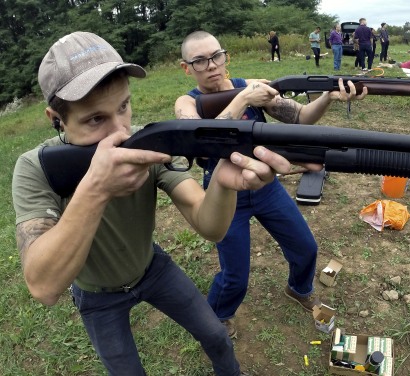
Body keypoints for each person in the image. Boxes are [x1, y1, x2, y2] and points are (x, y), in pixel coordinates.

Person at [12, 31, 293, 376]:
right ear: (55, 119)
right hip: (96, 295)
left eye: (123, 107)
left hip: (153, 268)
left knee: (216, 335)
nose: (120, 132)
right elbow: (43, 286)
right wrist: (95, 190)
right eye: (95, 119)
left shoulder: (148, 146)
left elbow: (211, 226)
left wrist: (222, 182)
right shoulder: (36, 167)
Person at [174, 30, 368, 338]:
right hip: (224, 196)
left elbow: (301, 118)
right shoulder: (188, 102)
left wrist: (328, 96)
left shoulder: (250, 89)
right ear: (187, 67)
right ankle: (217, 317)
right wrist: (244, 99)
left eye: (216, 56)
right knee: (235, 276)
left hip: (266, 187)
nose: (211, 65)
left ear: (226, 57)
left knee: (305, 247)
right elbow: (200, 142)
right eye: (200, 61)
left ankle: (298, 289)